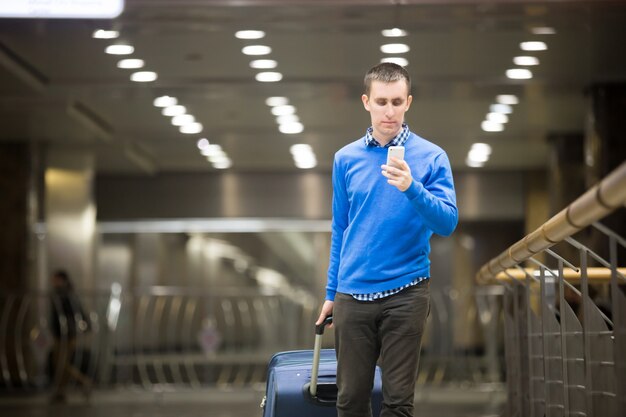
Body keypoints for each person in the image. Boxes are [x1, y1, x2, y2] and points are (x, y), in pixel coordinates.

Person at [316, 62, 458, 417]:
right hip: (352, 294)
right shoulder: (345, 159)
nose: (389, 111)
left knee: (397, 403)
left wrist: (412, 187)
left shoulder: (431, 157)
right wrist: (331, 293)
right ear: (366, 102)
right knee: (350, 401)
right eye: (381, 102)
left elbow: (447, 223)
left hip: (407, 291)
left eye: (397, 101)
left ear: (408, 102)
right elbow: (341, 228)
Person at [49, 270, 92, 402]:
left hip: (66, 335)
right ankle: (61, 391)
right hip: (61, 334)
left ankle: (84, 382)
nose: (54, 282)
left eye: (56, 279)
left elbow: (73, 313)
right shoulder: (61, 294)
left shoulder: (65, 295)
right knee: (61, 364)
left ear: (63, 280)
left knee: (62, 363)